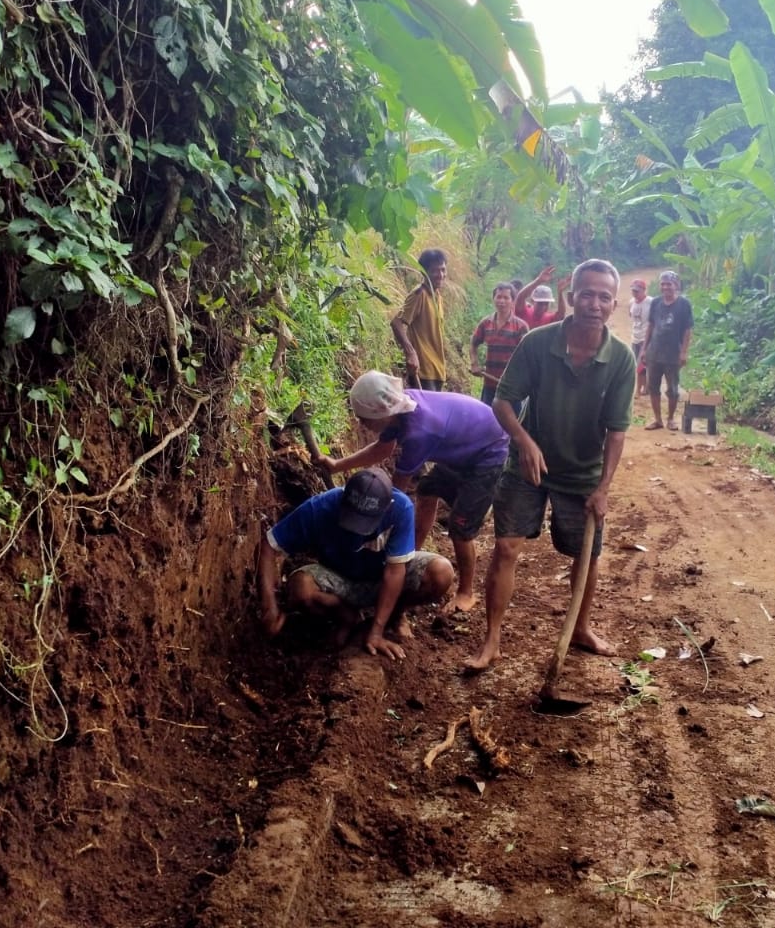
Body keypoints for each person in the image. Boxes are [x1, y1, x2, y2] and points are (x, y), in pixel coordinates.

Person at [464, 259, 636, 672]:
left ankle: (581, 628)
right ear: (572, 297)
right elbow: (503, 402)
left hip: (582, 473)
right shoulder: (538, 343)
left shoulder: (621, 360)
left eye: (603, 296)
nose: (594, 303)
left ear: (613, 304)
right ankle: (492, 640)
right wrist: (523, 441)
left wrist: (603, 488)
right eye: (586, 294)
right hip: (529, 466)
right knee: (506, 547)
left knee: (586, 554)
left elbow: (616, 431)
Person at [316, 372, 510, 613]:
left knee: (460, 528)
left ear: (381, 411)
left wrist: (378, 533)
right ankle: (412, 552)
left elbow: (395, 493)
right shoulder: (398, 412)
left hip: (488, 453)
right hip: (463, 447)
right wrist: (337, 465)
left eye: (363, 417)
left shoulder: (420, 432)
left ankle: (466, 592)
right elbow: (382, 449)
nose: (361, 423)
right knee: (428, 489)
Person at [257, 468, 454, 659]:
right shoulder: (320, 507)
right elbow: (270, 545)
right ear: (342, 499)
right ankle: (348, 617)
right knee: (300, 589)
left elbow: (395, 573)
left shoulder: (401, 508)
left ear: (387, 507)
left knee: (441, 573)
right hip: (338, 578)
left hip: (381, 577)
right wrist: (269, 607)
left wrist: (376, 633)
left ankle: (393, 616)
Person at [642, 270, 694, 431]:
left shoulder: (684, 304)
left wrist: (684, 352)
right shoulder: (656, 303)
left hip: (673, 354)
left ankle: (671, 419)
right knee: (653, 387)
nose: (665, 287)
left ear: (676, 285)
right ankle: (658, 419)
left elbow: (687, 330)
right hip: (654, 353)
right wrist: (644, 349)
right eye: (663, 284)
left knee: (672, 389)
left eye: (669, 284)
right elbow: (651, 326)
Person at [391, 248, 448, 390]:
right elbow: (396, 322)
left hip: (437, 371)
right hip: (423, 371)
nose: (440, 275)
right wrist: (410, 352)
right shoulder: (419, 294)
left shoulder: (438, 296)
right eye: (435, 270)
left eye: (443, 270)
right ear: (424, 272)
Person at [470, 282, 529, 405]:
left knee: (511, 422)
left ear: (513, 301)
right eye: (499, 297)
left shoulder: (521, 327)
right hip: (489, 384)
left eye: (506, 298)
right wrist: (474, 364)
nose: (501, 301)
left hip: (511, 387)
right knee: (487, 420)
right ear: (494, 299)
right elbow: (473, 343)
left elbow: (527, 356)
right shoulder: (485, 323)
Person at [627, 278, 652, 392]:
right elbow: (630, 316)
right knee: (637, 364)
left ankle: (640, 389)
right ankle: (644, 387)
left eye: (637, 291)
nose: (635, 293)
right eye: (633, 291)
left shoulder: (650, 302)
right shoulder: (631, 302)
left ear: (644, 290)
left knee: (642, 364)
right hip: (635, 337)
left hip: (646, 337)